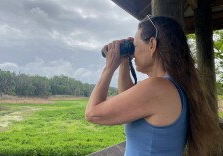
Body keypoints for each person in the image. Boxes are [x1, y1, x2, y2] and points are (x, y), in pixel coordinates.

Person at [85, 15, 223, 156]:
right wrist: (124, 61)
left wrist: (109, 67)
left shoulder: (158, 87)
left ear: (152, 45)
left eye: (136, 46)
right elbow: (128, 99)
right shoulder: (174, 84)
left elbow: (92, 113)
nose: (134, 52)